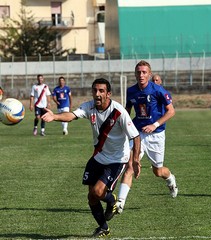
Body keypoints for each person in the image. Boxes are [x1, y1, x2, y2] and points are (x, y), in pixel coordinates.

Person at [41, 78, 141, 238]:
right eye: (95, 90)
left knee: (98, 191)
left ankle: (112, 200)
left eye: (101, 91)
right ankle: (103, 227)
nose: (97, 94)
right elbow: (72, 115)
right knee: (91, 197)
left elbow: (135, 136)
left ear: (108, 93)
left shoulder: (119, 112)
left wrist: (135, 160)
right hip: (98, 157)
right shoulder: (89, 107)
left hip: (117, 160)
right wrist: (55, 117)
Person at [116, 60, 178, 214]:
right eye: (138, 72)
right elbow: (127, 110)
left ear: (149, 74)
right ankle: (120, 203)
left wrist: (154, 125)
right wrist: (124, 125)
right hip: (138, 133)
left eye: (144, 72)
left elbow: (171, 111)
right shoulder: (131, 91)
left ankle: (170, 179)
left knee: (158, 172)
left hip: (156, 134)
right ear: (135, 74)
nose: (141, 75)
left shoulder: (158, 90)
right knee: (129, 165)